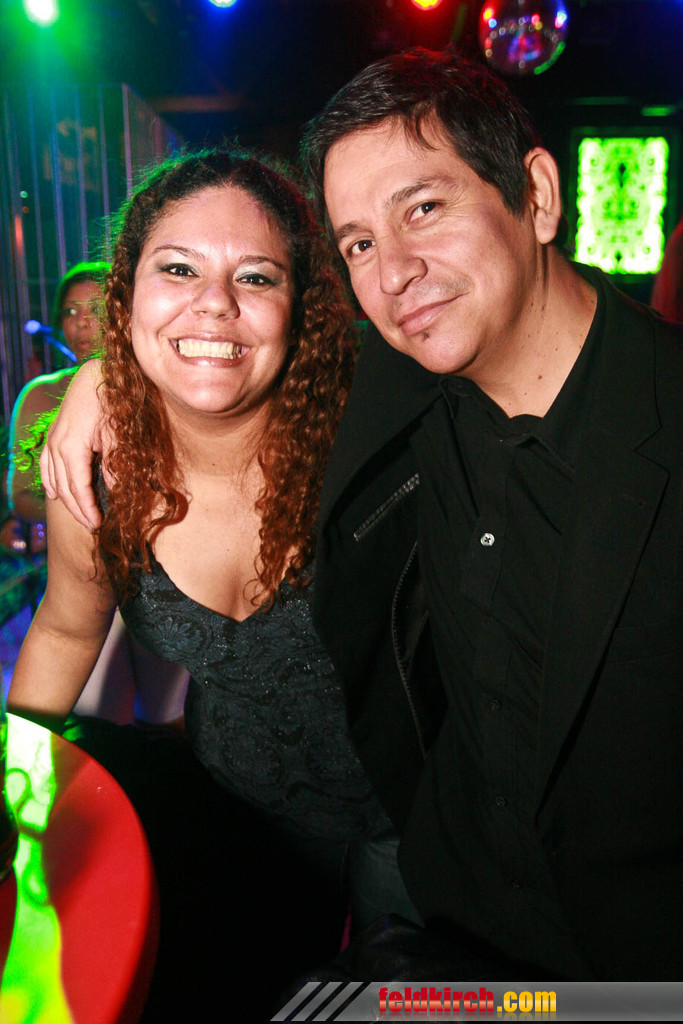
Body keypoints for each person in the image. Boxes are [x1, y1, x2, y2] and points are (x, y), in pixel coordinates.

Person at [37, 52, 683, 982]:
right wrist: (99, 378)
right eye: (359, 244)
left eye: (423, 208)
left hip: (497, 888)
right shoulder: (405, 372)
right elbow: (200, 345)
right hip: (286, 827)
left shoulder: (374, 395)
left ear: (538, 196)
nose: (398, 272)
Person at [9, 149, 416, 1013]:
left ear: (300, 308)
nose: (214, 303)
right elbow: (66, 630)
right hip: (242, 806)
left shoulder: (375, 419)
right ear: (127, 297)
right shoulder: (98, 474)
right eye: (178, 269)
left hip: (418, 808)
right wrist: (18, 795)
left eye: (256, 276)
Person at [8, 262, 188, 725]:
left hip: (158, 578)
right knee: (98, 721)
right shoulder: (40, 394)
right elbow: (20, 494)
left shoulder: (168, 386)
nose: (82, 322)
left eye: (93, 308)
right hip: (81, 579)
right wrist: (75, 508)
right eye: (70, 312)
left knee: (169, 718)